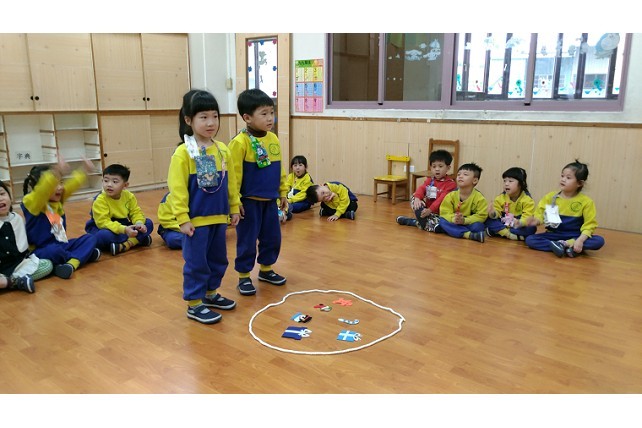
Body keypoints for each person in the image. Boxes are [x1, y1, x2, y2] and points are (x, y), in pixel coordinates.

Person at [167, 89, 241, 324]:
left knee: (218, 260)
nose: (211, 123)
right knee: (196, 262)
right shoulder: (183, 154)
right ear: (188, 120)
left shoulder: (222, 150)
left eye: (215, 116)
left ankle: (210, 294)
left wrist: (234, 206)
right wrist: (182, 218)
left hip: (219, 217)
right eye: (204, 117)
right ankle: (194, 303)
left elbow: (231, 183)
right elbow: (177, 189)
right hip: (196, 221)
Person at [228, 88, 288, 296]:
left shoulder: (273, 139)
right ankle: (244, 276)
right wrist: (235, 202)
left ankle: (266, 269)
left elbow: (279, 169)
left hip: (270, 201)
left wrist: (283, 192)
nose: (270, 118)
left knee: (272, 237)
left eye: (271, 112)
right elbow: (233, 176)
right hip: (249, 203)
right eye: (264, 114)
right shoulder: (239, 143)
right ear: (247, 118)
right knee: (247, 241)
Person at [21, 158, 101, 279]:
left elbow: (71, 186)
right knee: (54, 251)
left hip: (61, 245)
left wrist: (84, 170)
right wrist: (56, 172)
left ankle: (71, 263)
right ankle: (81, 256)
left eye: (61, 182)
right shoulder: (31, 202)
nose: (59, 187)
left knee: (91, 238)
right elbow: (42, 191)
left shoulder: (57, 200)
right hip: (40, 251)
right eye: (54, 184)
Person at [525, 160, 605, 257]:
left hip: (575, 236)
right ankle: (568, 248)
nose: (563, 179)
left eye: (568, 178)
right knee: (530, 240)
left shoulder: (586, 202)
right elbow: (540, 214)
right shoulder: (550, 197)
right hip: (554, 234)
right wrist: (536, 221)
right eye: (562, 176)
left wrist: (580, 240)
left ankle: (564, 245)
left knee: (599, 241)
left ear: (579, 183)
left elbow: (589, 225)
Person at [85, 164, 154, 256]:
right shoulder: (100, 200)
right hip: (104, 228)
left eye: (115, 182)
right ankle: (137, 240)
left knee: (148, 223)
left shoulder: (129, 196)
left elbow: (135, 212)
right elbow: (103, 222)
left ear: (125, 185)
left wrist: (139, 223)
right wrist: (124, 230)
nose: (109, 185)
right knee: (102, 236)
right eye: (106, 181)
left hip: (123, 226)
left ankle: (125, 244)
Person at [0, 181, 53, 293]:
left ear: (10, 196)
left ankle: (12, 281)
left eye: (2, 194)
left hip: (17, 265)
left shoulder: (17, 219)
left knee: (47, 265)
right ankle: (13, 282)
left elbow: (22, 247)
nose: (0, 199)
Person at [396, 149, 456, 231]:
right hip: (426, 212)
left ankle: (415, 222)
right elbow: (422, 188)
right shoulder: (430, 180)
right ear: (430, 167)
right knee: (414, 197)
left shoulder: (451, 184)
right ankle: (426, 224)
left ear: (448, 168)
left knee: (440, 225)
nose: (437, 169)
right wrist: (417, 198)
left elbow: (442, 199)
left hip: (440, 215)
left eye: (440, 166)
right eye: (434, 166)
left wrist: (430, 210)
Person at [437, 162, 488, 242]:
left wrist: (464, 220)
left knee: (479, 226)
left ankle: (455, 231)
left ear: (475, 180)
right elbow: (444, 212)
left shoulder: (479, 198)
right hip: (454, 222)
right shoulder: (451, 195)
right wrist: (454, 219)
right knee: (442, 221)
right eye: (459, 174)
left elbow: (481, 216)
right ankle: (468, 235)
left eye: (465, 174)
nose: (460, 176)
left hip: (468, 223)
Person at [485, 167, 537, 241]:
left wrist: (520, 222)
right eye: (504, 181)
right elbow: (497, 214)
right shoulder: (500, 198)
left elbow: (527, 217)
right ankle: (511, 235)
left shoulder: (527, 200)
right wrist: (492, 213)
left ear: (521, 184)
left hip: (517, 225)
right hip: (504, 222)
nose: (506, 184)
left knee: (531, 228)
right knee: (489, 220)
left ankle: (498, 232)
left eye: (510, 181)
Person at [284, 155, 314, 220]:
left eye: (300, 165)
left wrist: (290, 200)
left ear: (305, 167)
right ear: (292, 167)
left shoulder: (307, 178)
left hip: (303, 200)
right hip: (291, 198)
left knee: (297, 207)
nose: (297, 168)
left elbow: (303, 194)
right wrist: (284, 197)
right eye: (295, 165)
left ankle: (286, 208)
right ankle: (285, 206)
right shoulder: (291, 176)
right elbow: (286, 187)